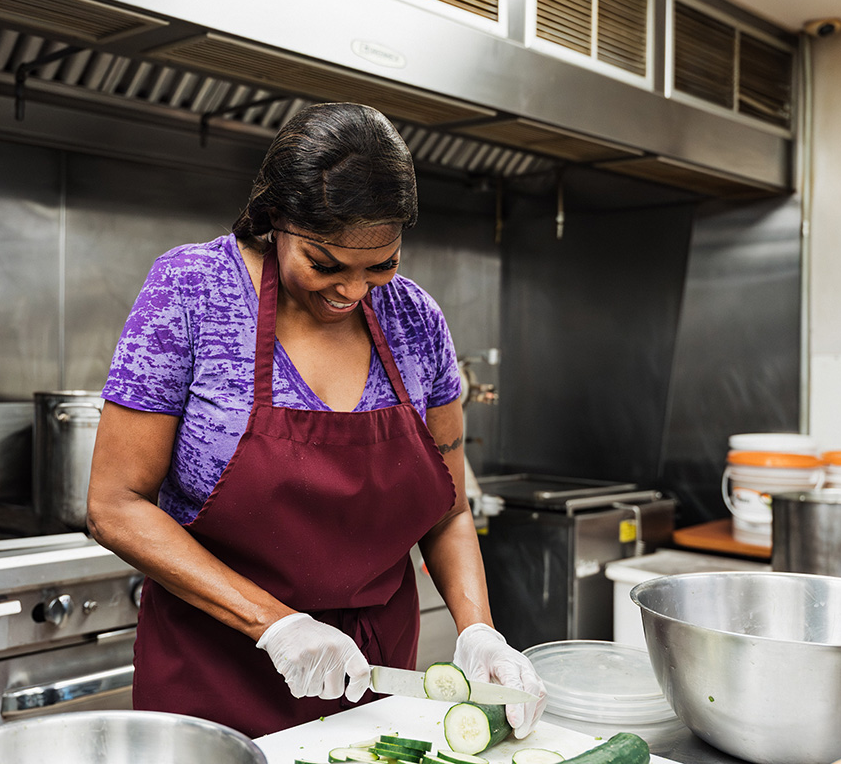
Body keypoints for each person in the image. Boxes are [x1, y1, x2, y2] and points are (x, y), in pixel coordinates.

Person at [87, 102, 547, 739]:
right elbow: (116, 505)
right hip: (217, 663)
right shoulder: (194, 291)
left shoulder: (416, 322)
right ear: (277, 219)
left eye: (380, 264)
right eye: (326, 264)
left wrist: (477, 630)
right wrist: (276, 624)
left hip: (376, 676)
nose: (353, 291)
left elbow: (448, 509)